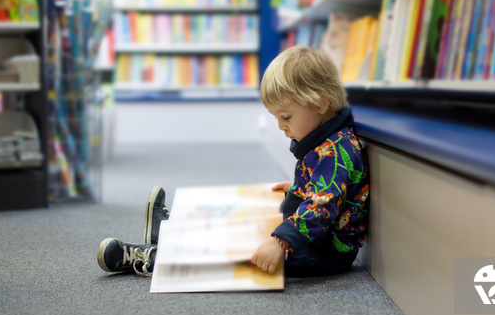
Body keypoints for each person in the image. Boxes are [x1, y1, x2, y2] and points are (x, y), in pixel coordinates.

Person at [96, 46, 369, 278]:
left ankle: (152, 257)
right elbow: (326, 192)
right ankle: (171, 233)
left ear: (321, 103)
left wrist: (280, 242)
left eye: (286, 117)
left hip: (321, 254)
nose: (281, 128)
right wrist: (301, 187)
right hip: (315, 239)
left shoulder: (336, 152)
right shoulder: (329, 141)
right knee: (241, 217)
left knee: (237, 250)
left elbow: (321, 206)